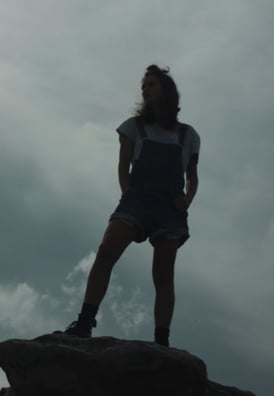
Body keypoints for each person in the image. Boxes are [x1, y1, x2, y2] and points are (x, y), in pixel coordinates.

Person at [59, 65, 200, 347]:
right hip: (137, 198)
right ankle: (85, 322)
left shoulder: (188, 135)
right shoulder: (133, 127)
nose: (145, 90)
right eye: (143, 86)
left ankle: (161, 341)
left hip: (170, 207)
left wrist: (187, 199)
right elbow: (123, 166)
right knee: (106, 252)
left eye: (151, 84)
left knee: (163, 273)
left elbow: (192, 176)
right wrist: (128, 194)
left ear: (166, 90)